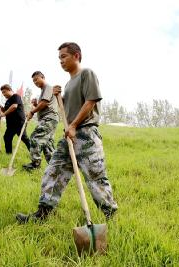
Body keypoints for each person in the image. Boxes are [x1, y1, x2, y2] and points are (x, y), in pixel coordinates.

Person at [16, 42, 118, 223]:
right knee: (53, 171)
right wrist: (59, 97)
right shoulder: (69, 83)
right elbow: (69, 108)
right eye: (59, 58)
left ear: (76, 55)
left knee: (96, 177)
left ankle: (111, 216)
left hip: (86, 134)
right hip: (69, 136)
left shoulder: (87, 74)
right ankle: (43, 213)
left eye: (64, 56)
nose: (60, 61)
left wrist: (74, 125)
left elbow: (91, 101)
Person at [23, 71, 59, 171]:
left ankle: (35, 164)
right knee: (48, 144)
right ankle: (54, 168)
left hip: (49, 118)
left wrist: (32, 111)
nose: (35, 82)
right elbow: (42, 105)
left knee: (35, 138)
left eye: (36, 79)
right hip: (50, 118)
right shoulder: (43, 90)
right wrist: (35, 104)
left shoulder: (47, 87)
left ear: (42, 77)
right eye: (33, 81)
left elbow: (44, 103)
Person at [0, 84, 31, 154]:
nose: (3, 94)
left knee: (24, 138)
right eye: (2, 93)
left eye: (4, 92)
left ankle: (34, 153)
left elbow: (14, 107)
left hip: (19, 122)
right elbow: (7, 111)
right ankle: (8, 154)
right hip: (11, 124)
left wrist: (3, 114)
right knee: (7, 137)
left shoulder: (16, 96)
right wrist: (2, 109)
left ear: (9, 90)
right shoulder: (7, 101)